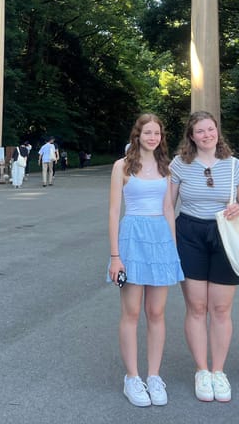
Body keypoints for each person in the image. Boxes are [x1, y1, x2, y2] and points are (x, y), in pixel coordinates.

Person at [168, 111, 239, 403]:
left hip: (224, 235)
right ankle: (201, 370)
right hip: (189, 233)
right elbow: (170, 204)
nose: (207, 135)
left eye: (210, 129)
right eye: (200, 131)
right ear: (191, 137)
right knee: (197, 306)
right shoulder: (179, 164)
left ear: (218, 132)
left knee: (220, 309)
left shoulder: (235, 166)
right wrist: (168, 240)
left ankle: (219, 371)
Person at [108, 113, 184, 407]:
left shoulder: (166, 168)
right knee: (131, 312)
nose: (153, 137)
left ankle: (153, 375)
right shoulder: (122, 166)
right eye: (147, 132)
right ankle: (132, 377)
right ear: (137, 135)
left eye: (157, 133)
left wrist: (172, 251)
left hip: (160, 240)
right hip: (131, 238)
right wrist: (115, 256)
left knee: (156, 312)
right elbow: (115, 211)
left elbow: (168, 209)